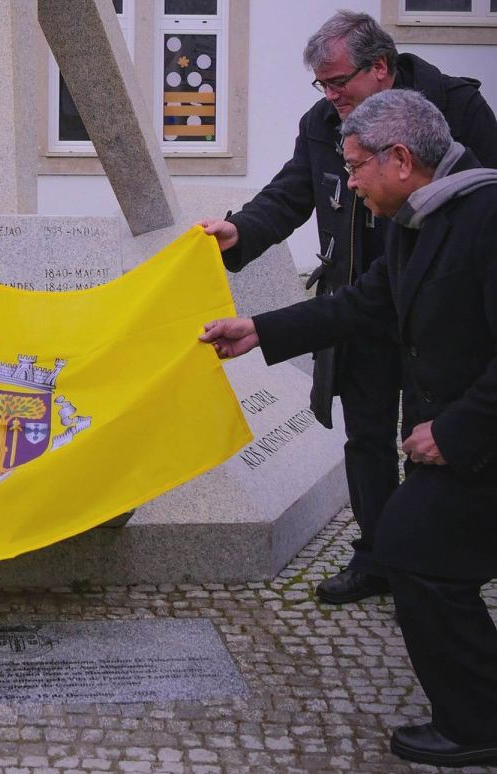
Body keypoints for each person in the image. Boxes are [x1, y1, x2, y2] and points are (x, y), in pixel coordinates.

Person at [200, 89, 497, 768]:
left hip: (478, 441)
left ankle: (479, 719)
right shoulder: (420, 218)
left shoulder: (486, 218)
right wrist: (259, 330)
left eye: (357, 168)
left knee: (418, 552)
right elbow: (368, 301)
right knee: (413, 550)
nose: (349, 184)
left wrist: (453, 432)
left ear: (400, 160)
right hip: (464, 442)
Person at [199, 11, 497, 606]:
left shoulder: (455, 107)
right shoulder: (322, 122)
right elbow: (293, 190)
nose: (329, 95)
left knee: (429, 428)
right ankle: (379, 558)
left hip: (438, 302)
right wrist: (240, 232)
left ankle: (430, 560)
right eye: (322, 85)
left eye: (338, 82)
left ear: (380, 68)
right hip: (361, 298)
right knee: (365, 436)